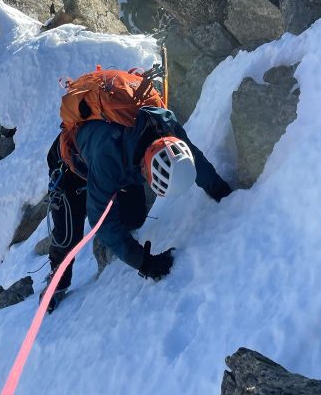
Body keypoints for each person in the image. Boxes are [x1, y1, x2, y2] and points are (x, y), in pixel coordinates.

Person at [43, 101, 231, 310]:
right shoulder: (109, 155)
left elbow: (195, 160)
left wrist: (219, 189)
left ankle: (106, 197)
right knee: (69, 236)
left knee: (134, 217)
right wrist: (144, 262)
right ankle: (57, 281)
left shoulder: (166, 127)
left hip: (121, 156)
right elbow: (100, 221)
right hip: (70, 165)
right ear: (146, 169)